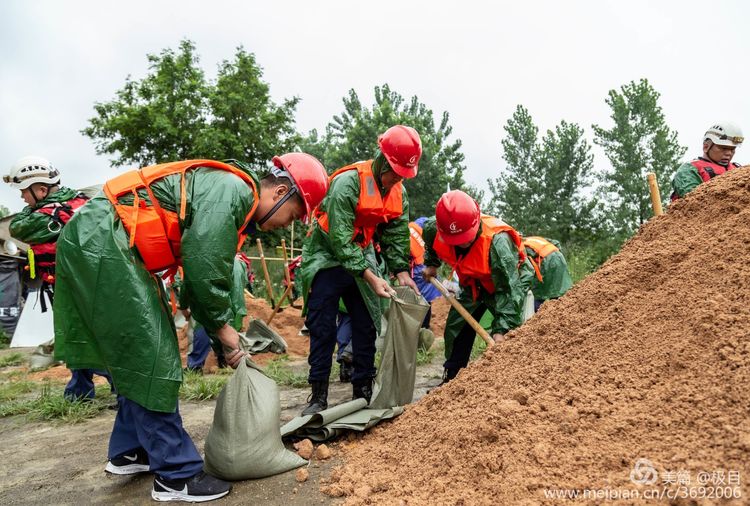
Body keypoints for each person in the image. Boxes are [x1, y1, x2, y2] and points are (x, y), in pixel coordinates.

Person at [53, 154, 328, 502]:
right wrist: (223, 331)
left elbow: (201, 272)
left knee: (135, 352)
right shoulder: (233, 193)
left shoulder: (231, 195)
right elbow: (203, 270)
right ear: (281, 191)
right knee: (151, 355)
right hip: (104, 243)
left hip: (100, 239)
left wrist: (220, 335)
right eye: (294, 214)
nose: (288, 224)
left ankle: (131, 451)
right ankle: (176, 476)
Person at [298, 125, 422, 415]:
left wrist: (401, 270)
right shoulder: (348, 184)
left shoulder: (398, 193)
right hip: (326, 255)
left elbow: (394, 235)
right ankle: (317, 395)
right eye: (393, 171)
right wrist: (369, 275)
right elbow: (340, 240)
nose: (396, 179)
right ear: (382, 158)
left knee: (367, 323)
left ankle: (363, 389)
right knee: (323, 325)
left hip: (361, 252)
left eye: (403, 175)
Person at [3, 155, 113, 400]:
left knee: (85, 337)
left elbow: (17, 227)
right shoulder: (82, 203)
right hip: (83, 285)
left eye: (23, 192)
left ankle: (114, 388)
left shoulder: (44, 217)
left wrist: (36, 209)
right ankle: (80, 390)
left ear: (41, 189)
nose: (22, 198)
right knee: (75, 335)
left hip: (75, 288)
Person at [422, 190, 534, 383]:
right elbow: (431, 245)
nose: (462, 243)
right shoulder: (434, 228)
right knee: (456, 327)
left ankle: (512, 379)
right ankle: (453, 377)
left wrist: (501, 330)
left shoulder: (497, 243)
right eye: (456, 240)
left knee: (509, 335)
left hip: (507, 281)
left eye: (466, 238)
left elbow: (508, 291)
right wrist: (432, 264)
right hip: (473, 282)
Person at [671, 122, 744, 200]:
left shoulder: (739, 170)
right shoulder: (689, 170)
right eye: (723, 148)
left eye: (732, 149)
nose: (729, 153)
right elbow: (692, 201)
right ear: (706, 147)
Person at [522, 236, 573, 312]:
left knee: (538, 292)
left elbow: (527, 268)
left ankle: (539, 316)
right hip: (559, 257)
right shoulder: (532, 239)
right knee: (560, 290)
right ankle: (564, 312)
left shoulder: (521, 247)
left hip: (547, 262)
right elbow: (556, 242)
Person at [409, 217, 442, 328]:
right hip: (420, 266)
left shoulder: (412, 226)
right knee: (422, 302)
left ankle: (422, 330)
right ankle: (421, 330)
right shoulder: (419, 223)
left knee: (422, 302)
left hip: (421, 268)